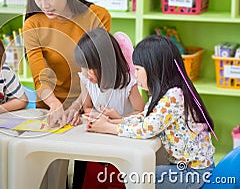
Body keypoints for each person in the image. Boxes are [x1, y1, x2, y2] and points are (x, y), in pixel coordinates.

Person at [22, 0, 111, 189]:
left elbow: (96, 73)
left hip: (89, 104)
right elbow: (39, 74)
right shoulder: (33, 23)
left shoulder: (97, 16)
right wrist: (54, 105)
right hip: (51, 105)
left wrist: (78, 106)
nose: (44, 5)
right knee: (48, 175)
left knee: (84, 174)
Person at [87, 35, 216, 189]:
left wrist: (108, 128)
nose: (135, 74)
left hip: (194, 173)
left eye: (138, 69)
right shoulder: (165, 93)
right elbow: (146, 117)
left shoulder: (174, 96)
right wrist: (118, 120)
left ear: (154, 68)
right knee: (139, 175)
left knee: (139, 178)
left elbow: (147, 128)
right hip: (185, 169)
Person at [68, 27, 145, 125]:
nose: (87, 73)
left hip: (123, 130)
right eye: (84, 67)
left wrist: (118, 118)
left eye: (92, 67)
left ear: (107, 64)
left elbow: (141, 113)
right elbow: (87, 108)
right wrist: (97, 116)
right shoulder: (85, 80)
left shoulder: (128, 83)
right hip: (102, 130)